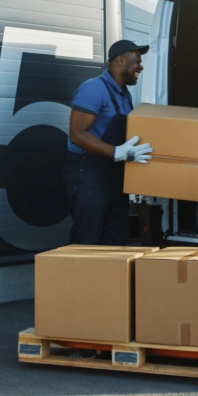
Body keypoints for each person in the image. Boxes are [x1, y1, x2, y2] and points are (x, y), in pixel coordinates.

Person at [64, 39, 154, 245]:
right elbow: (77, 134)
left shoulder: (124, 95)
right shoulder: (93, 89)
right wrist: (116, 152)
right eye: (137, 61)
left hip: (113, 175)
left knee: (117, 235)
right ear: (120, 60)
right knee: (88, 237)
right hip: (88, 174)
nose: (140, 67)